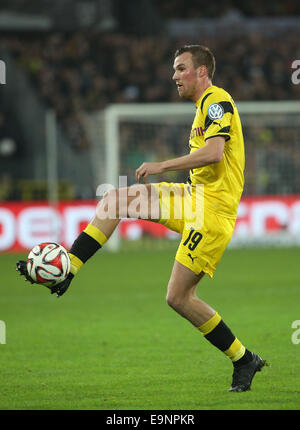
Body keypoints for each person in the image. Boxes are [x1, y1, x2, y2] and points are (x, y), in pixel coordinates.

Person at [17, 45, 266, 392]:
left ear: (202, 72)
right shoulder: (201, 109)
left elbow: (214, 152)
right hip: (194, 199)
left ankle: (243, 359)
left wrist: (162, 165)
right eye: (174, 70)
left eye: (181, 69)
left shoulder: (217, 100)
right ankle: (69, 268)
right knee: (114, 200)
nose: (174, 76)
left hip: (213, 212)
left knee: (178, 298)